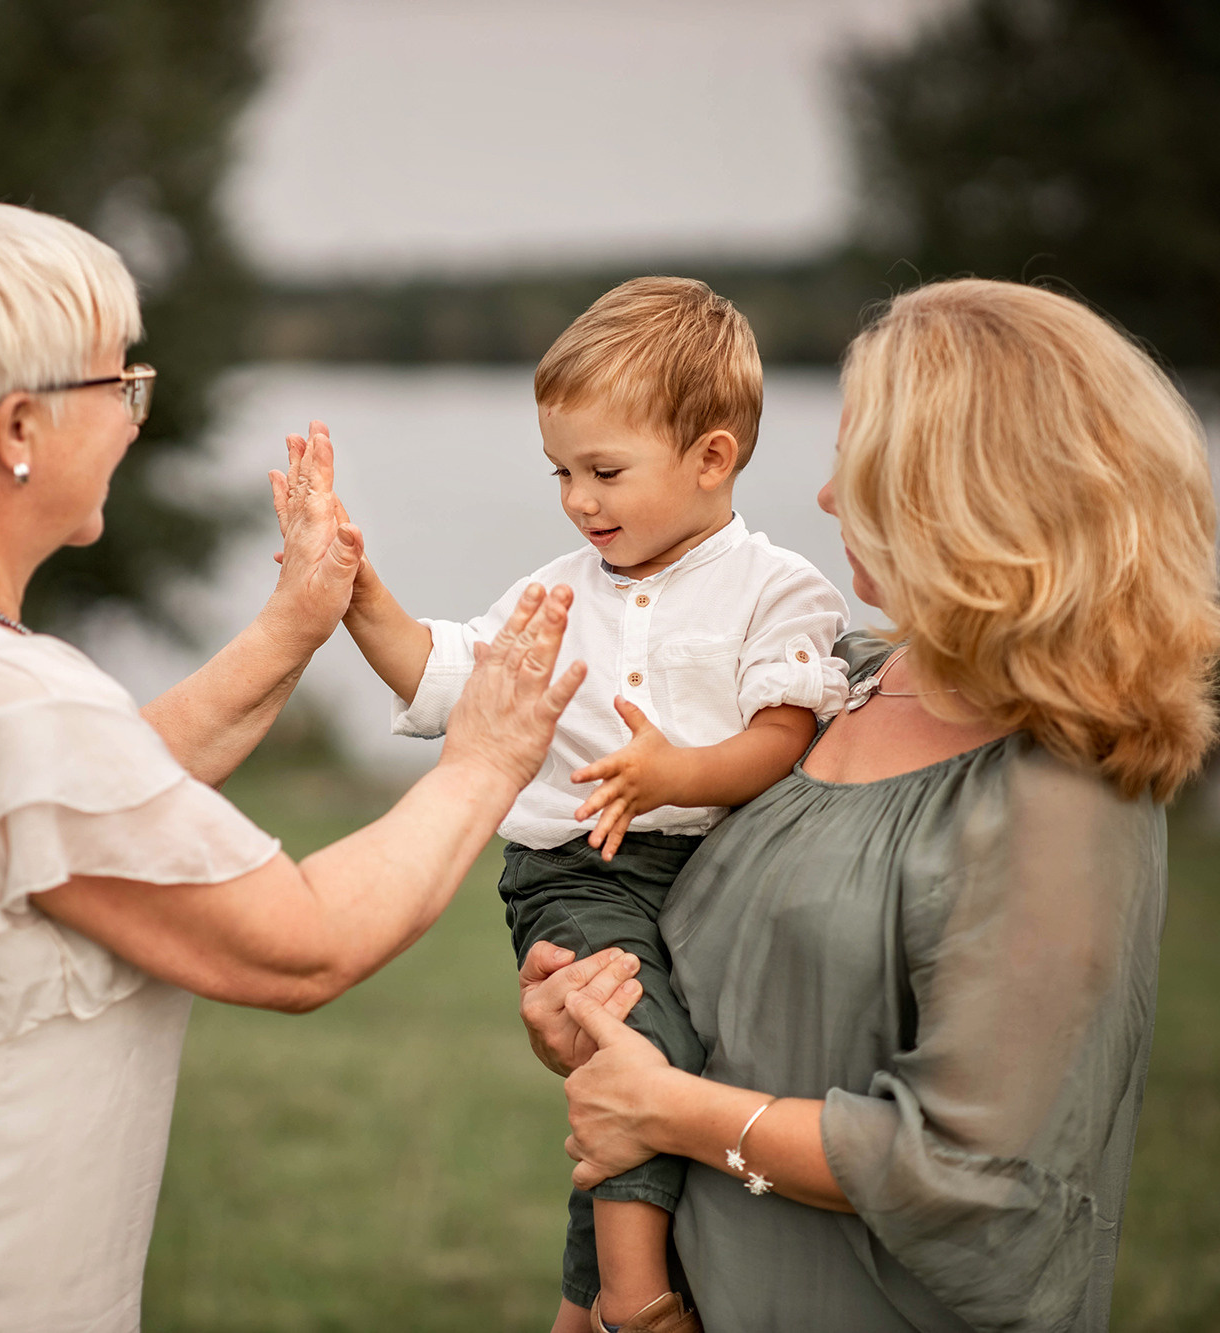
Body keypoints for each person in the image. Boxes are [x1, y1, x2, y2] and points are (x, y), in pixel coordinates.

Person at [0, 199, 595, 1332]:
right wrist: (485, 759)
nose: (136, 418)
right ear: (18, 426)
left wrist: (294, 624)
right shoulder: (6, 710)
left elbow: (78, 802)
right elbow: (305, 944)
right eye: (118, 384)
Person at [521, 278, 1220, 1331]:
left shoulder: (1059, 789)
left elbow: (977, 1174)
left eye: (856, 465)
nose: (823, 499)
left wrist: (671, 1111)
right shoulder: (831, 681)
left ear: (964, 497)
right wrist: (589, 1013)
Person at [342, 277, 851, 1333]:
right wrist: (356, 593)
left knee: (684, 1076)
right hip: (582, 867)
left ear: (712, 457)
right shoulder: (557, 591)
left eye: (604, 471)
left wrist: (676, 774)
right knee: (636, 1046)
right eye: (561, 471)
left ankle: (582, 1312)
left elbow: (780, 734)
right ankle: (636, 1300)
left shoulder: (778, 590)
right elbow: (444, 675)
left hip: (711, 875)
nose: (578, 499)